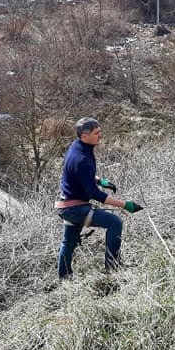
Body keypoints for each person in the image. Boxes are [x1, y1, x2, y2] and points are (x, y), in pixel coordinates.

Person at [55, 117, 143, 280]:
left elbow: (78, 175)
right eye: (96, 133)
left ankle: (64, 278)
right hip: (74, 208)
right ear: (84, 136)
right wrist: (125, 205)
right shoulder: (81, 159)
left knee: (68, 242)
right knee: (115, 222)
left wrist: (99, 180)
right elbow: (95, 194)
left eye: (100, 132)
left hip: (65, 204)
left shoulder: (77, 147)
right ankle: (112, 267)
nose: (100, 135)